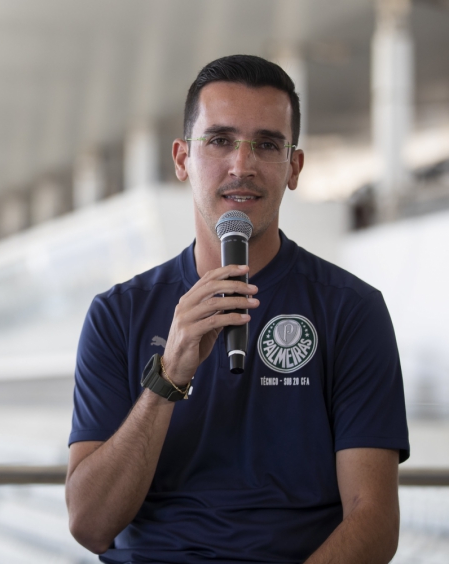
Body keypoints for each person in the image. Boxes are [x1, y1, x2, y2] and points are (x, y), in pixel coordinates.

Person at [65, 55, 409, 564]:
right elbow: (90, 526)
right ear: (182, 159)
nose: (242, 165)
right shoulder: (119, 313)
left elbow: (373, 519)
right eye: (220, 140)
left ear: (293, 168)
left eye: (267, 144)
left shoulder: (351, 310)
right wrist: (168, 376)